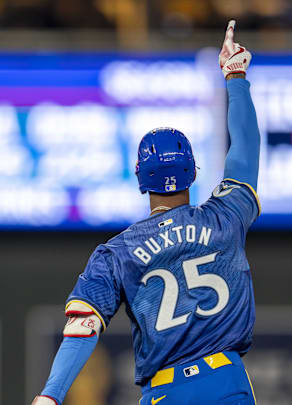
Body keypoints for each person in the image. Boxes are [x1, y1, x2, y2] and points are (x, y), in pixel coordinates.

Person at [32, 20, 260, 405]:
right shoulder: (226, 216)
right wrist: (235, 76)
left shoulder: (118, 252)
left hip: (167, 391)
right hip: (227, 382)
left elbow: (84, 327)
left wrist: (50, 395)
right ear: (192, 170)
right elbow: (245, 149)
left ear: (141, 177)